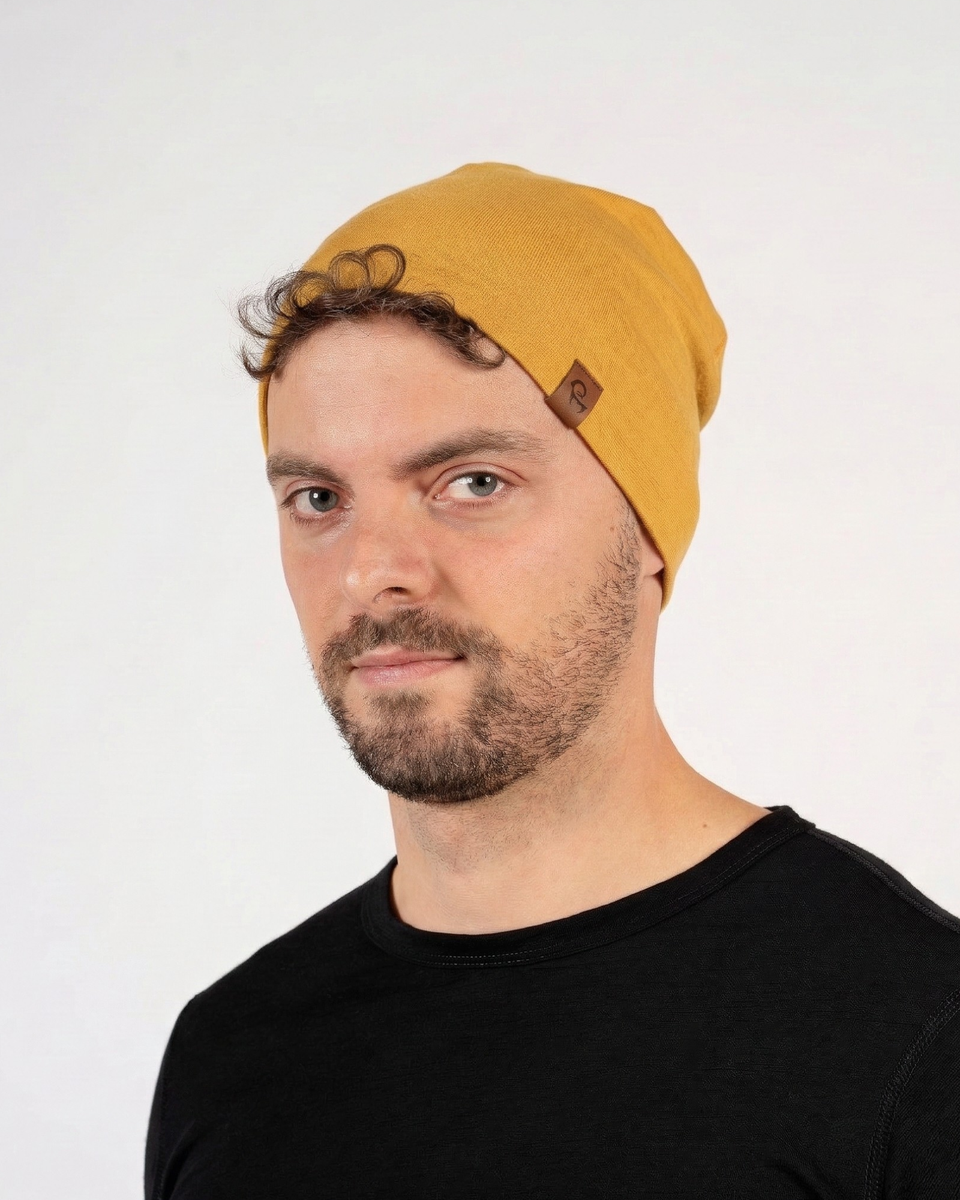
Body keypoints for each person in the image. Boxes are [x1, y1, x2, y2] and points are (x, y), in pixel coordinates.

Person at [144, 164, 960, 1199]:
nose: (370, 571)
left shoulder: (915, 1038)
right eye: (318, 498)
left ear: (645, 525)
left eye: (473, 482)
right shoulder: (231, 1057)